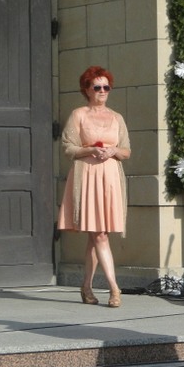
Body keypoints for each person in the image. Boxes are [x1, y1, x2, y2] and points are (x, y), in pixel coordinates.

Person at [57, 66, 131, 308]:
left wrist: (113, 151)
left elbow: (127, 151)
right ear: (87, 89)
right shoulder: (78, 114)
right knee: (99, 235)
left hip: (110, 177)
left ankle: (86, 287)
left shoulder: (117, 117)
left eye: (106, 87)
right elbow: (68, 146)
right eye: (97, 87)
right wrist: (90, 149)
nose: (102, 91)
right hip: (87, 176)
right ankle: (114, 288)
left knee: (96, 235)